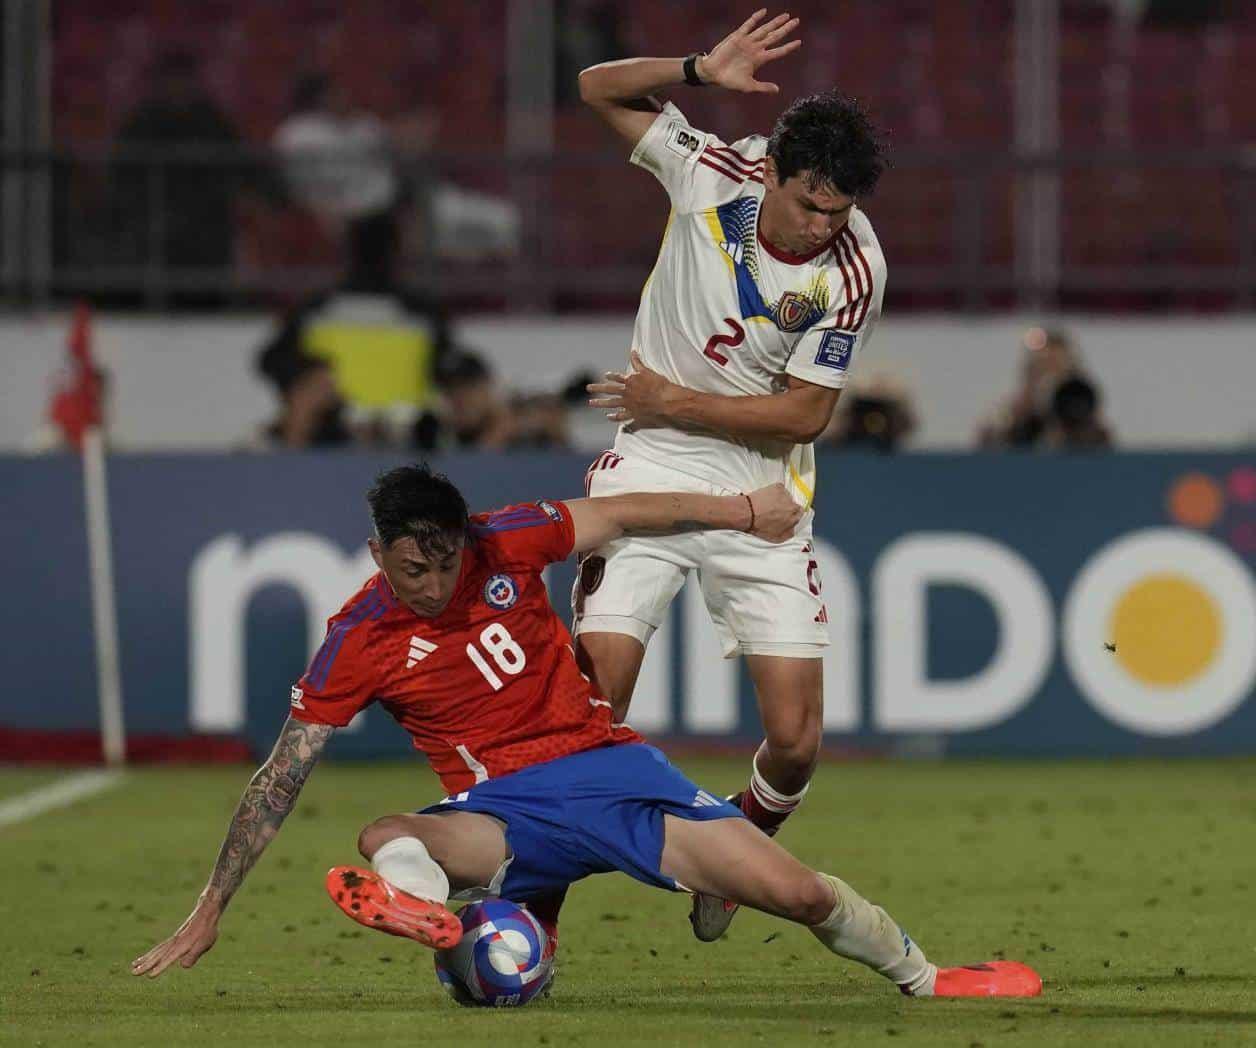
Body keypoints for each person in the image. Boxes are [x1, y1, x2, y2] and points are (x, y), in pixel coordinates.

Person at [131, 464, 1039, 1000]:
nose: (436, 581)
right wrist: (211, 907)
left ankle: (930, 979)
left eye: (447, 558)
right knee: (388, 835)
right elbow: (279, 778)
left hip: (612, 773)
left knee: (798, 896)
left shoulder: (506, 540)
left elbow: (627, 513)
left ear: (463, 536)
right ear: (377, 554)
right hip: (504, 812)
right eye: (414, 566)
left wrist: (742, 512)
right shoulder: (356, 640)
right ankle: (436, 917)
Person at [576, 10, 886, 939]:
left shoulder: (856, 269)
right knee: (595, 704)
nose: (823, 224)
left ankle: (736, 852)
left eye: (839, 210)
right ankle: (529, 902)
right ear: (776, 174)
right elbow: (597, 87)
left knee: (796, 744)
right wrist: (696, 68)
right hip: (651, 464)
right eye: (809, 204)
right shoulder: (714, 172)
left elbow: (804, 414)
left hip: (762, 491)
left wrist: (678, 401)